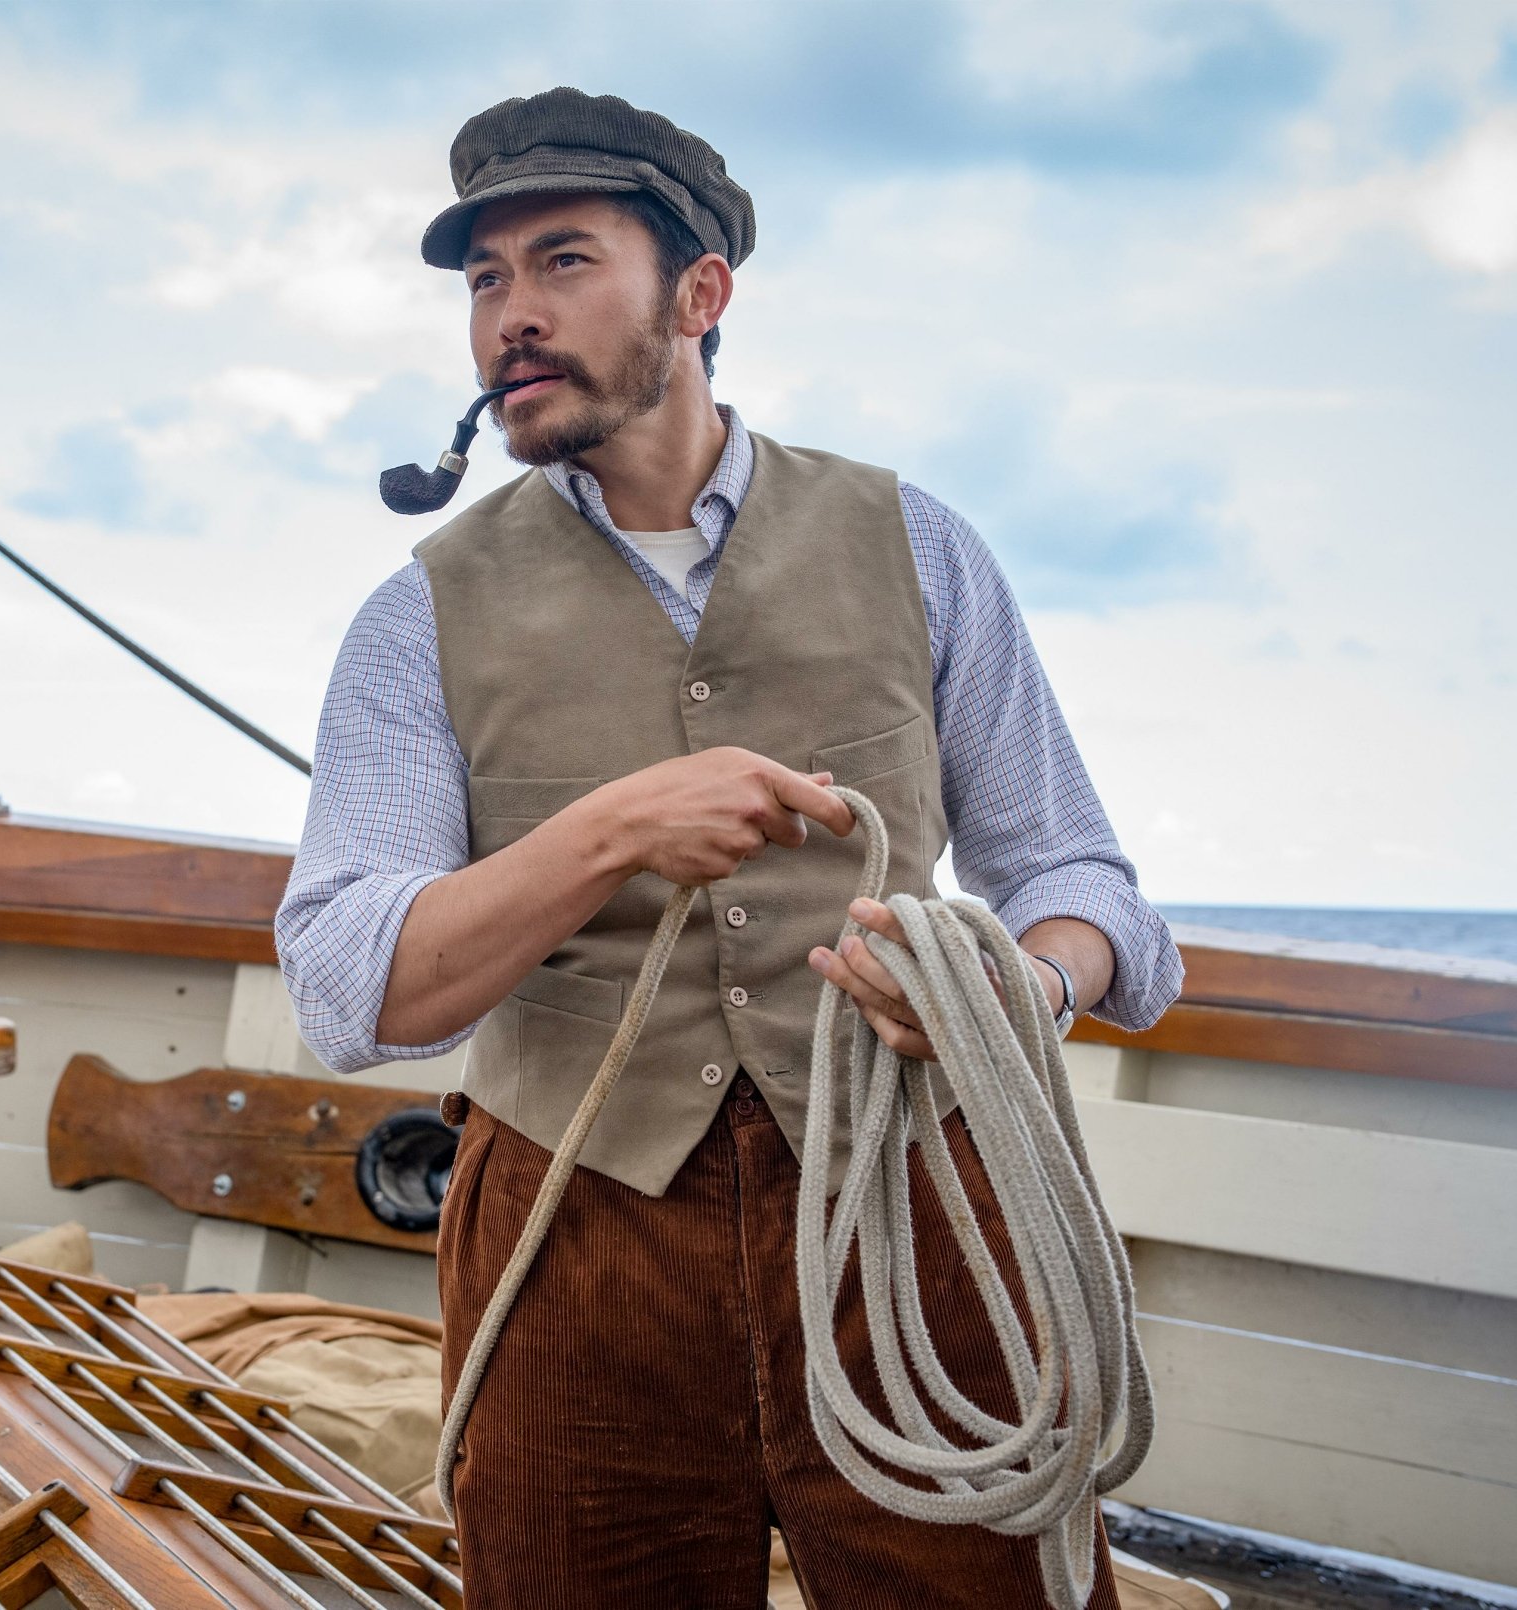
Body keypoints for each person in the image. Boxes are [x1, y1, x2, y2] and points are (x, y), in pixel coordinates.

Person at [278, 86, 1183, 1610]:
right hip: (575, 1238)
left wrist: (1022, 991)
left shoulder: (921, 545)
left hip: (912, 1222)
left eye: (562, 262)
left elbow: (1087, 890)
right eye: (487, 280)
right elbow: (349, 987)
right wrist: (617, 827)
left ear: (700, 296)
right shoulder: (414, 615)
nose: (511, 315)